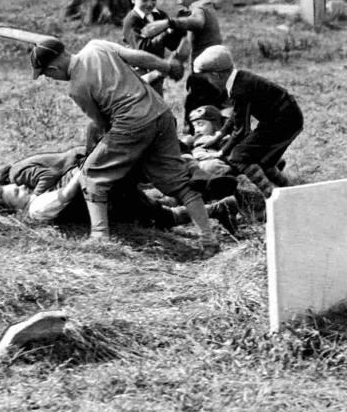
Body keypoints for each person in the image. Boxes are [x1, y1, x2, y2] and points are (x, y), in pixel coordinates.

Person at [30, 34, 221, 256]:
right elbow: (139, 58)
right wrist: (166, 66)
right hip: (161, 113)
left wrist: (113, 155)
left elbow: (103, 124)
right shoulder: (96, 45)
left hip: (131, 123)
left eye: (46, 74)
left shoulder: (76, 88)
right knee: (178, 183)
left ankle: (100, 239)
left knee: (91, 174)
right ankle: (209, 240)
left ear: (53, 69)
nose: (51, 77)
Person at [0, 145, 239, 234]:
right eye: (17, 192)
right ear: (16, 210)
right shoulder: (36, 208)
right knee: (160, 211)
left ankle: (217, 201)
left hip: (109, 195)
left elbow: (67, 192)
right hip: (108, 195)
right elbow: (66, 194)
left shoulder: (36, 202)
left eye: (19, 185)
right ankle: (217, 201)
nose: (23, 186)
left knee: (163, 214)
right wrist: (84, 170)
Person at [191, 45, 303, 196]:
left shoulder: (240, 89)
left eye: (208, 79)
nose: (208, 83)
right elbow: (237, 114)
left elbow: (241, 130)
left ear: (216, 75)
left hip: (285, 121)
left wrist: (221, 153)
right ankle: (289, 191)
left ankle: (271, 196)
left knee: (239, 157)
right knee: (260, 158)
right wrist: (218, 135)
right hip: (278, 118)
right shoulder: (239, 79)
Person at [139, 0, 224, 131]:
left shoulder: (200, 10)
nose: (177, 1)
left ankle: (193, 139)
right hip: (210, 74)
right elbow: (186, 44)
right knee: (209, 110)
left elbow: (197, 22)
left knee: (196, 112)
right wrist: (173, 63)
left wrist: (169, 23)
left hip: (206, 75)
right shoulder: (202, 9)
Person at [121, 0, 181, 95]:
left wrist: (177, 30)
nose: (149, 4)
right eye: (144, 0)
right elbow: (141, 48)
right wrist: (165, 32)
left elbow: (172, 45)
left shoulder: (160, 16)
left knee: (157, 99)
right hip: (138, 70)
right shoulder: (132, 20)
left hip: (156, 67)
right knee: (141, 101)